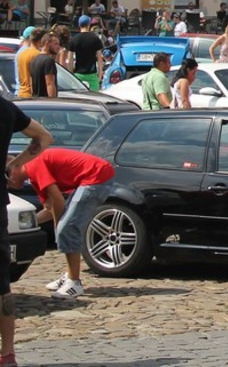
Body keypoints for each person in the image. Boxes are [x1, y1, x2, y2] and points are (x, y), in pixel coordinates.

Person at [8, 147, 114, 302]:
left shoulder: (34, 165)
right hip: (90, 178)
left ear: (15, 167)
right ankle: (70, 275)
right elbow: (49, 208)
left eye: (7, 176)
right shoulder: (34, 177)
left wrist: (60, 227)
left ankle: (74, 283)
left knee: (68, 229)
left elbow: (58, 200)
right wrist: (23, 224)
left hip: (96, 176)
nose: (8, 183)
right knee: (65, 229)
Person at [0, 97, 51, 362]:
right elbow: (43, 137)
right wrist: (13, 164)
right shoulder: (5, 108)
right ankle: (7, 353)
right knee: (1, 285)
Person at [28, 33, 60, 99]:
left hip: (36, 100)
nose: (58, 47)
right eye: (55, 44)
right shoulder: (48, 61)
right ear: (47, 43)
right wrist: (53, 101)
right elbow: (50, 84)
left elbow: (31, 85)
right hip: (46, 101)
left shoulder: (34, 60)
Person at [14, 27, 38, 99]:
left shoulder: (20, 52)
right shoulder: (29, 52)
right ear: (31, 37)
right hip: (28, 93)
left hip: (20, 91)